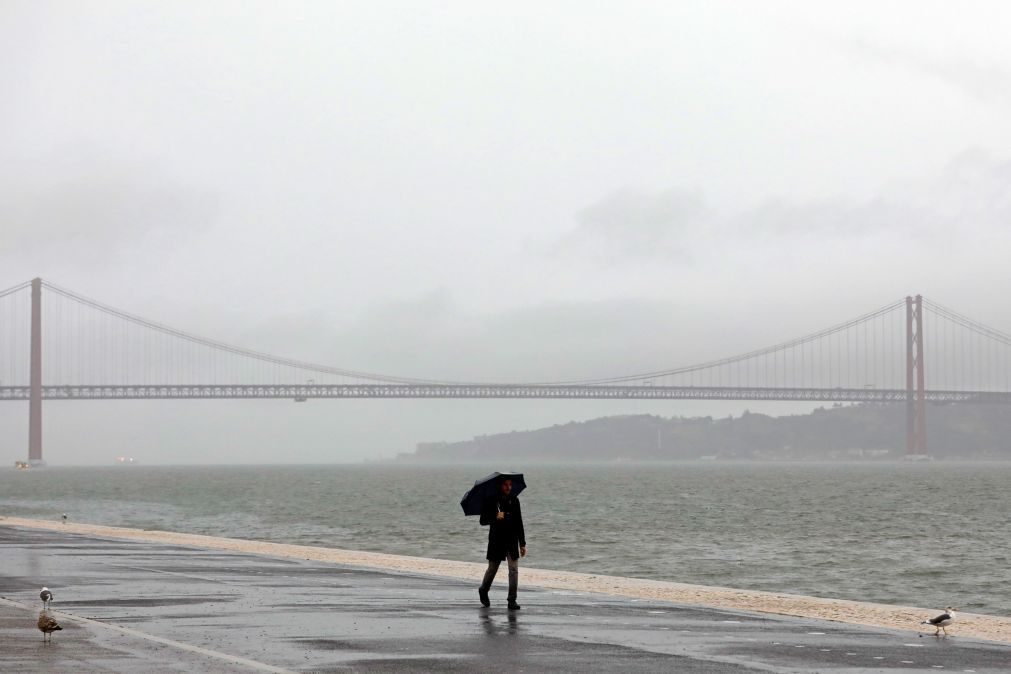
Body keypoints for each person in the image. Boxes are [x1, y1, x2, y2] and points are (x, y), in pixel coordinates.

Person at [478, 476, 526, 610]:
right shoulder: (492, 500)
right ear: (500, 486)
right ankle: (483, 590)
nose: (508, 487)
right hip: (496, 540)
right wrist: (495, 516)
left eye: (510, 485)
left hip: (511, 541)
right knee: (492, 569)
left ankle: (512, 600)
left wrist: (522, 543)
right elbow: (482, 520)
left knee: (514, 570)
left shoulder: (515, 501)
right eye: (506, 485)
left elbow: (519, 523)